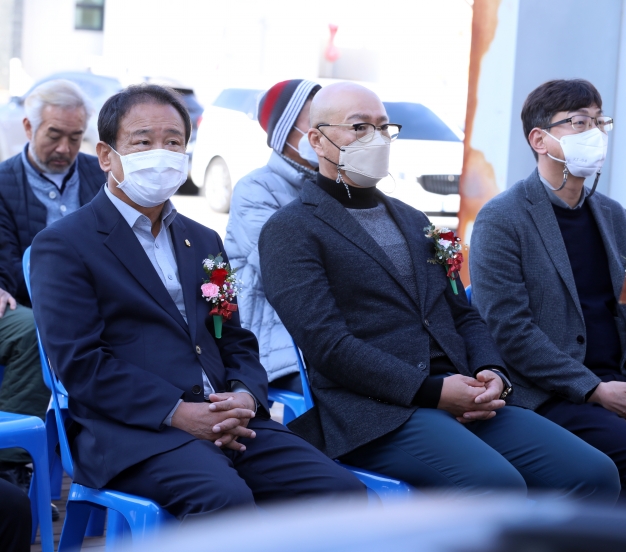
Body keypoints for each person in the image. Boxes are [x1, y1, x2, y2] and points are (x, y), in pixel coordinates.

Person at [258, 82, 620, 501]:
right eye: (359, 128)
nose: (376, 139)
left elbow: (463, 313)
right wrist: (432, 391)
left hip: (461, 392)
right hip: (375, 410)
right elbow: (328, 346)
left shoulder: (415, 220)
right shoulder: (291, 230)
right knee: (497, 484)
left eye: (383, 127)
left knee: (593, 473)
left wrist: (491, 372)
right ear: (317, 141)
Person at [30, 84, 365, 519]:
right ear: (106, 156)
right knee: (225, 503)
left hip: (229, 419)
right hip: (134, 430)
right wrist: (177, 412)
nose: (161, 153)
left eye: (174, 142)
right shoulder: (64, 245)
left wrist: (245, 395)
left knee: (342, 492)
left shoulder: (203, 240)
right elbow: (81, 364)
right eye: (143, 142)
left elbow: (233, 335)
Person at [469, 79, 626, 504]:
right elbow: (510, 331)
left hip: (623, 386)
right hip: (554, 394)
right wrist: (594, 389)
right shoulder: (501, 219)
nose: (594, 133)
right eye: (579, 122)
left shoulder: (614, 215)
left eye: (599, 122)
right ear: (539, 140)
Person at [0, 79, 103, 495]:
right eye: (54, 135)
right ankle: (13, 466)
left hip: (102, 300)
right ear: (28, 127)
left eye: (75, 137)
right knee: (32, 330)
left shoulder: (101, 174)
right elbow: (7, 262)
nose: (64, 148)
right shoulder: (3, 182)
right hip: (39, 302)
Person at [224, 79, 321, 394]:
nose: (328, 130)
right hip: (275, 341)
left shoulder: (335, 184)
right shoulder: (256, 188)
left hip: (322, 333)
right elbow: (288, 271)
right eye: (317, 120)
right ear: (286, 130)